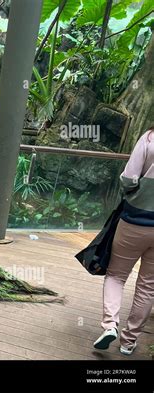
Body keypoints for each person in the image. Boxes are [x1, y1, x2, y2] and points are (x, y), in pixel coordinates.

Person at [94, 128, 154, 355]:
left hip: (134, 221)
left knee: (116, 275)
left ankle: (110, 325)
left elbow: (129, 178)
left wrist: (132, 194)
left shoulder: (149, 138)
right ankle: (129, 342)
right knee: (148, 286)